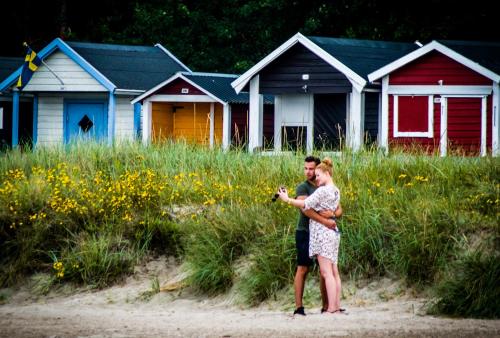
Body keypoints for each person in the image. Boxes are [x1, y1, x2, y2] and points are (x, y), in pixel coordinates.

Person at [278, 157, 344, 314]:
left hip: (321, 232)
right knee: (308, 269)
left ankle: (330, 307)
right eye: (305, 168)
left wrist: (331, 216)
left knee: (326, 272)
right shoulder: (306, 187)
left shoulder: (322, 188)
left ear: (320, 171)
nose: (308, 172)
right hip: (307, 231)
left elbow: (307, 206)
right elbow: (306, 210)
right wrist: (327, 220)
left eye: (311, 169)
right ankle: (300, 307)